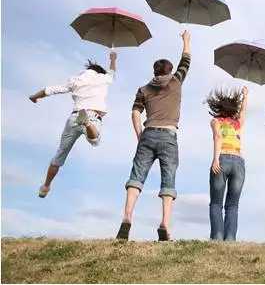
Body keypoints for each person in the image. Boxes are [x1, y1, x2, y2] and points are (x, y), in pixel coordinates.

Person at [116, 30, 191, 242]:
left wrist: (140, 134)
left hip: (148, 134)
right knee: (168, 180)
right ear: (169, 70)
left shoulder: (144, 89)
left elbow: (135, 112)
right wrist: (186, 40)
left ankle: (127, 217)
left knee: (136, 177)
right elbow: (186, 61)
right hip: (169, 135)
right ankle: (165, 224)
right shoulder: (176, 81)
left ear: (155, 71)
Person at [29, 51, 117, 198]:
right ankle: (87, 124)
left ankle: (45, 186)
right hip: (93, 115)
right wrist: (113, 58)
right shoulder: (103, 78)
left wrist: (34, 97)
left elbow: (51, 90)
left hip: (74, 117)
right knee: (95, 141)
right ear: (99, 72)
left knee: (60, 154)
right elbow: (112, 71)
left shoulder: (76, 80)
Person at [206, 86, 248, 241]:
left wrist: (216, 159)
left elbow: (217, 136)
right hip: (238, 162)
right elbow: (243, 111)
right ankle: (230, 239)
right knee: (233, 205)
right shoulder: (237, 123)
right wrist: (245, 96)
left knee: (216, 203)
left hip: (222, 158)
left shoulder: (216, 121)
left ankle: (217, 238)